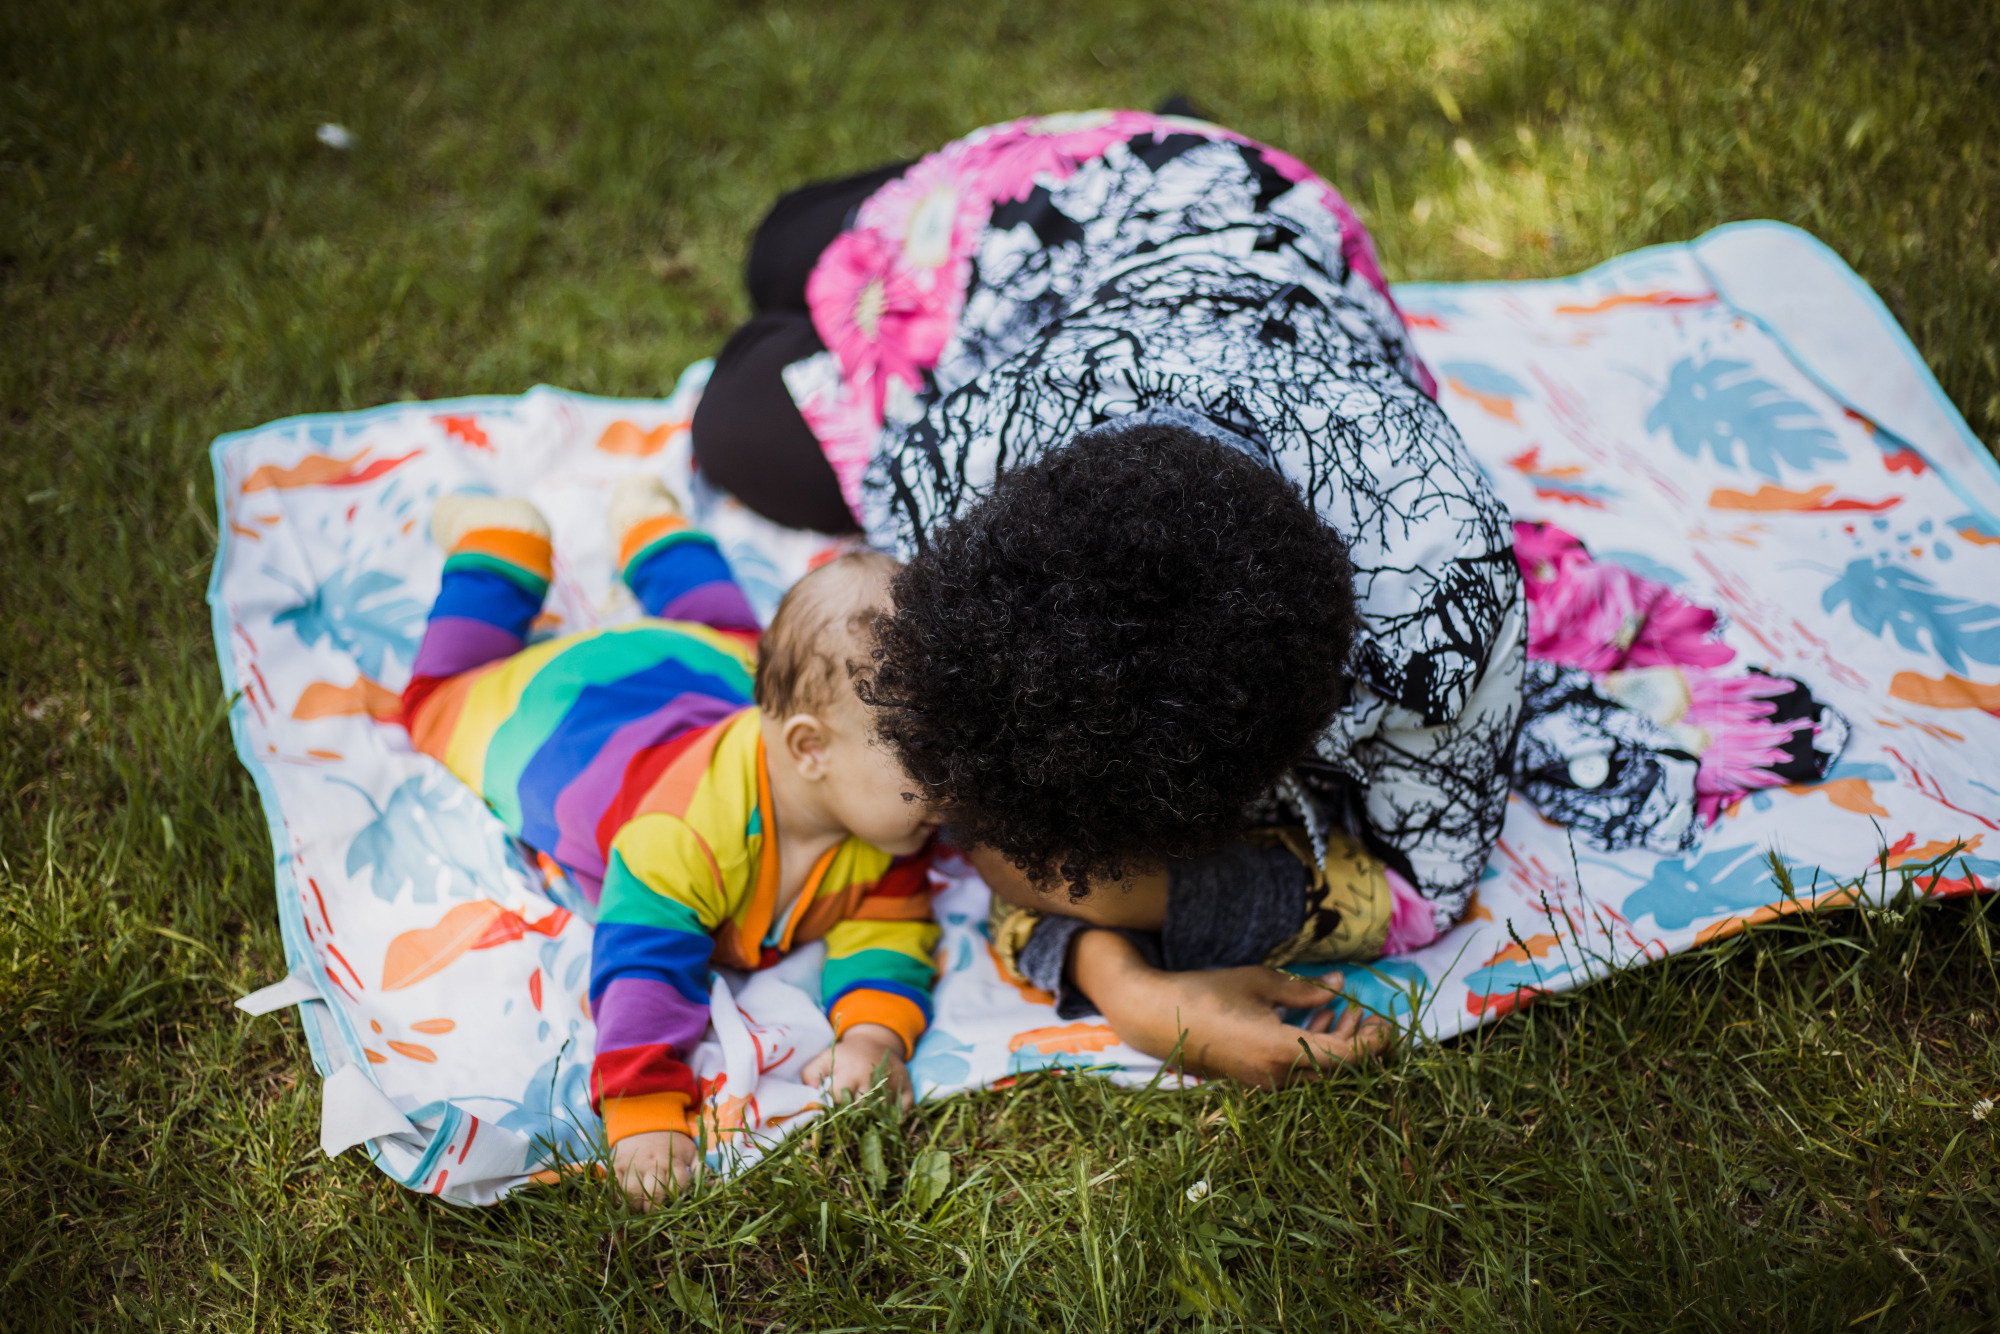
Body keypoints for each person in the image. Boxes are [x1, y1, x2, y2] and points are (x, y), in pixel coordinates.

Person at [691, 107, 1527, 1085]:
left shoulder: (1442, 607)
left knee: (733, 413)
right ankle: (1158, 123)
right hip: (1078, 217)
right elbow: (1017, 835)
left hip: (1234, 250)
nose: (987, 848)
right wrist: (1119, 955)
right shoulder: (971, 470)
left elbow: (1416, 884)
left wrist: (1122, 980)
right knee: (780, 248)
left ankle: (1172, 124)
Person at [399, 480, 940, 1205]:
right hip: (570, 702)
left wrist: (874, 1035)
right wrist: (644, 1106)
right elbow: (642, 962)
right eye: (931, 767)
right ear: (809, 749)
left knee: (744, 645)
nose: (957, 791)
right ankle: (501, 547)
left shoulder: (884, 822)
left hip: (707, 670)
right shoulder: (684, 834)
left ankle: (654, 529)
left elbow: (890, 928)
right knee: (434, 700)